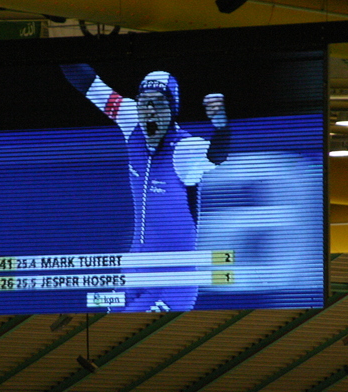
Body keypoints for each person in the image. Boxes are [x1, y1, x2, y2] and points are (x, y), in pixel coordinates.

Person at [61, 64, 230, 311]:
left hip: (173, 283)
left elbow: (217, 155)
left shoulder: (184, 150)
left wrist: (222, 126)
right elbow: (90, 84)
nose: (149, 111)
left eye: (159, 104)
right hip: (132, 273)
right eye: (144, 102)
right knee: (97, 322)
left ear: (172, 109)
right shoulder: (131, 120)